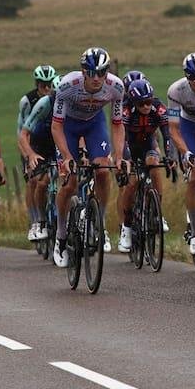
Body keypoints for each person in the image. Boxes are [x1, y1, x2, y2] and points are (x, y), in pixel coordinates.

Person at [50, 47, 126, 268]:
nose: (95, 78)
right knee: (70, 181)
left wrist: (119, 156)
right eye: (90, 72)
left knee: (103, 171)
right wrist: (66, 156)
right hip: (68, 128)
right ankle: (61, 236)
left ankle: (99, 223)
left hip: (95, 125)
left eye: (100, 72)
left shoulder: (116, 87)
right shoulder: (67, 86)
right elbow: (56, 126)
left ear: (106, 72)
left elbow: (118, 124)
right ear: (83, 71)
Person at [166, 52, 195, 258]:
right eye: (193, 77)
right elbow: (173, 129)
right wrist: (185, 152)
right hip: (188, 127)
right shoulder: (176, 90)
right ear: (186, 76)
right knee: (194, 176)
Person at [117, 78, 172, 252]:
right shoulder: (126, 111)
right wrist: (127, 159)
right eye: (142, 103)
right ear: (134, 103)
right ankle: (126, 227)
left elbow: (167, 134)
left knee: (154, 164)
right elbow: (122, 139)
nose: (147, 106)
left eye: (149, 101)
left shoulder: (158, 107)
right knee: (132, 183)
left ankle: (157, 213)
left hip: (149, 143)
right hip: (130, 146)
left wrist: (169, 155)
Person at [19, 79, 60, 241]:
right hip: (40, 145)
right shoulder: (44, 104)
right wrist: (30, 155)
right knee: (39, 181)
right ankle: (40, 221)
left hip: (58, 144)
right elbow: (23, 133)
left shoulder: (71, 106)